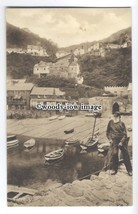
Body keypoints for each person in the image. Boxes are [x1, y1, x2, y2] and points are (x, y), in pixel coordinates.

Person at [106, 111, 132, 176]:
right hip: (114, 140)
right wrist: (109, 139)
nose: (115, 117)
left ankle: (130, 170)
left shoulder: (122, 123)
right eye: (114, 116)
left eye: (116, 116)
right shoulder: (110, 122)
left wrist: (121, 142)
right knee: (114, 153)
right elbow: (107, 132)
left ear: (119, 117)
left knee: (125, 154)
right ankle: (114, 169)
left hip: (122, 140)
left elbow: (125, 135)